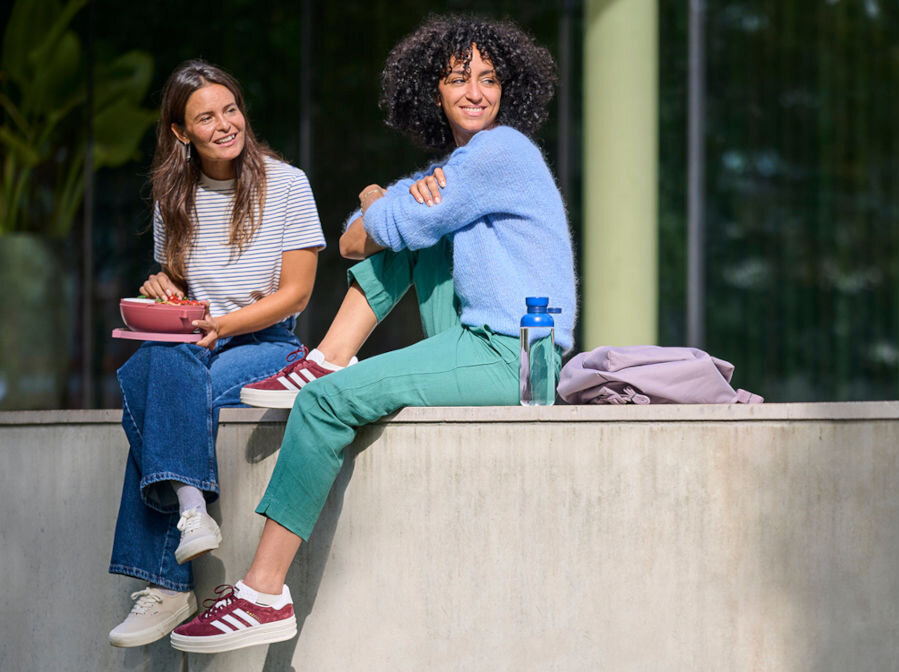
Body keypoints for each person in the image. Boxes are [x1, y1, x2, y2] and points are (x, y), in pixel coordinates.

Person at [169, 16, 576, 654]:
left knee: (325, 403)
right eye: (458, 78)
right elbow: (356, 239)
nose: (476, 91)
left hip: (518, 354)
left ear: (509, 89)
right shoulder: (460, 167)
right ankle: (329, 357)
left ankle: (263, 590)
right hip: (483, 337)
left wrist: (377, 198)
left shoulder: (501, 152)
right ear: (432, 91)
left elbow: (369, 228)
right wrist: (387, 207)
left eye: (490, 79)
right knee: (415, 241)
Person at [107, 60, 326, 648]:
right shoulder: (172, 195)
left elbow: (296, 292)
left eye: (230, 109)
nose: (226, 124)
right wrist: (162, 286)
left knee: (161, 390)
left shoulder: (286, 183)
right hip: (194, 342)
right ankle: (190, 512)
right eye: (206, 117)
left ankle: (166, 582)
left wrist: (228, 320)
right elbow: (180, 285)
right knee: (157, 362)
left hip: (265, 342)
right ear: (182, 133)